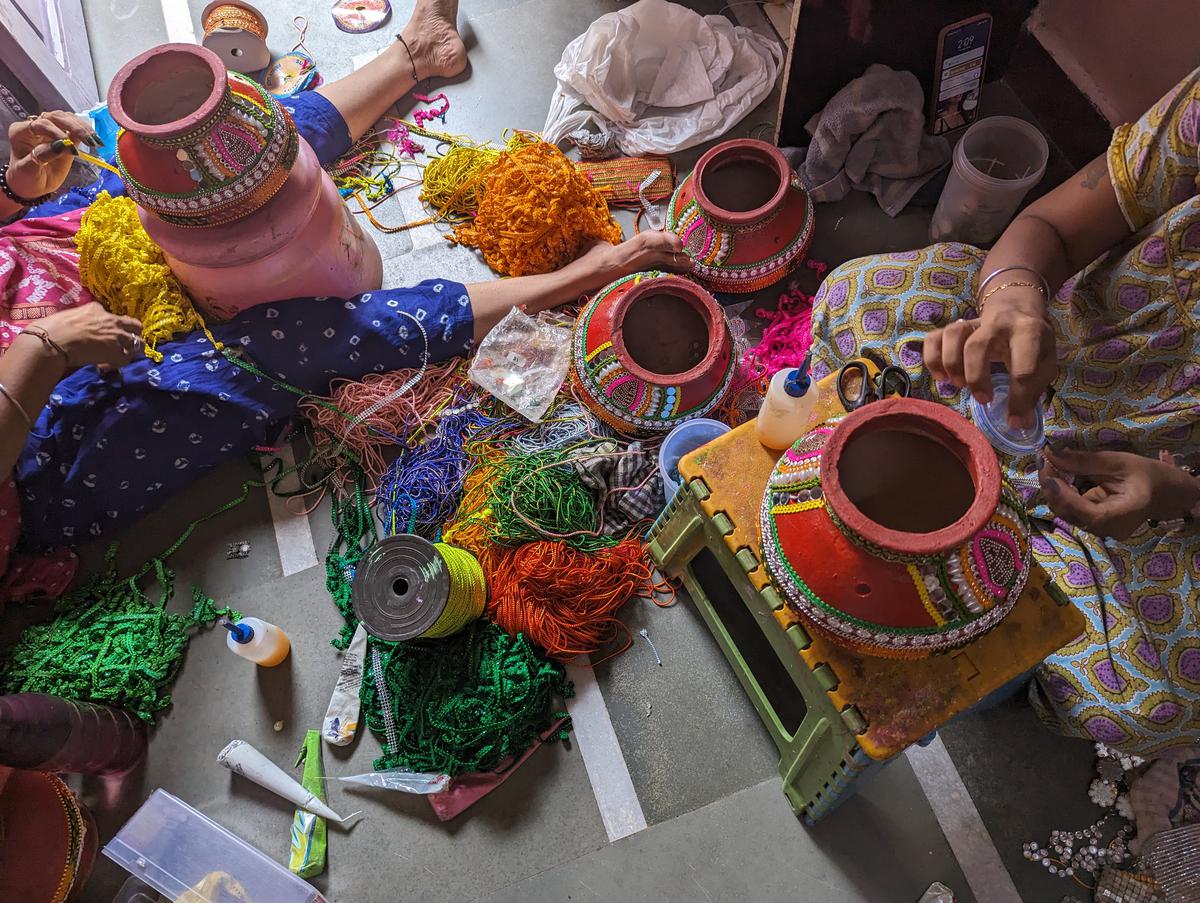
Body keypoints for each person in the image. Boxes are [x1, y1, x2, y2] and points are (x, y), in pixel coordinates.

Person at [0, 0, 688, 604]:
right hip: (39, 441)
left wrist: (23, 189)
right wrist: (48, 345)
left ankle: (415, 54)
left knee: (230, 140)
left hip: (35, 274)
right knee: (285, 343)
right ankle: (582, 275)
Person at [807, 68, 1200, 757]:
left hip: (1160, 496)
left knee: (1158, 700)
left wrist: (1179, 493)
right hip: (1047, 345)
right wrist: (1014, 303)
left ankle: (1027, 600)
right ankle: (1014, 585)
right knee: (853, 296)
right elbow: (1051, 225)